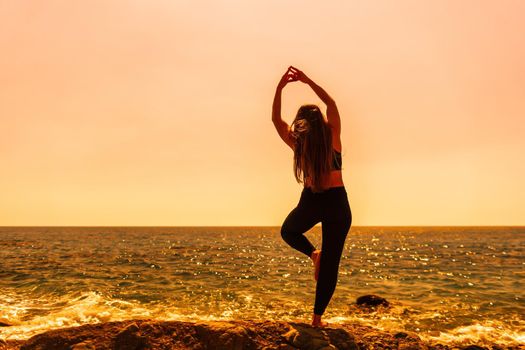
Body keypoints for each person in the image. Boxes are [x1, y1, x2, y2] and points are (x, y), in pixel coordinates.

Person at [272, 66, 352, 327]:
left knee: (289, 232)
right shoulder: (332, 135)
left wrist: (279, 88)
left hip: (316, 200)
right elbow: (330, 102)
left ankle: (314, 257)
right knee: (329, 264)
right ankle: (317, 319)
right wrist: (307, 82)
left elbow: (276, 121)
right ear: (320, 120)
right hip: (336, 202)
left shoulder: (300, 143)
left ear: (302, 121)